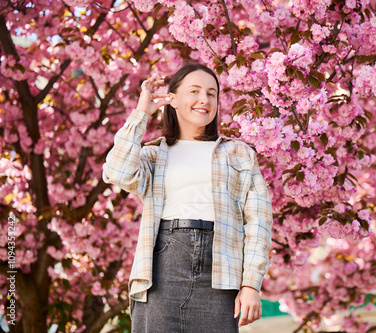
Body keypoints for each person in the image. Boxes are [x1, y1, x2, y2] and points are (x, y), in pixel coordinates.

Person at [102, 63, 273, 333]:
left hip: (221, 271)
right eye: (194, 91)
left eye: (211, 93)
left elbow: (259, 222)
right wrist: (141, 114)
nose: (204, 100)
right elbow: (117, 172)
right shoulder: (154, 154)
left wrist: (251, 283)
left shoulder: (238, 153)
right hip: (162, 269)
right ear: (173, 99)